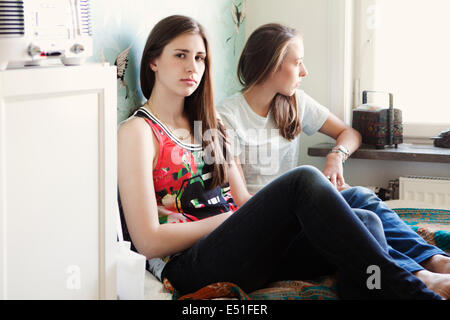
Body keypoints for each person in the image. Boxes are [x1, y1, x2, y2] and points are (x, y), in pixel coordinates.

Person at [117, 15, 443, 299]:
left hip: (241, 249)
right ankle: (414, 288)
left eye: (200, 58)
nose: (192, 67)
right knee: (304, 178)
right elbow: (148, 241)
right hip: (188, 265)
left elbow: (241, 198)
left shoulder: (208, 125)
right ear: (153, 61)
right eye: (181, 55)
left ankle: (370, 289)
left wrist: (255, 217)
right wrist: (232, 220)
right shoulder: (138, 131)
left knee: (367, 220)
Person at [216, 23, 450, 299]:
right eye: (298, 63)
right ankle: (417, 276)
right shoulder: (226, 117)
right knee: (360, 220)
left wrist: (335, 157)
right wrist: (318, 202)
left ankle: (436, 262)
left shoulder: (294, 102)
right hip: (269, 228)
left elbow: (349, 132)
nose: (305, 72)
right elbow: (242, 202)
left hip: (299, 209)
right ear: (272, 65)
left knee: (360, 197)